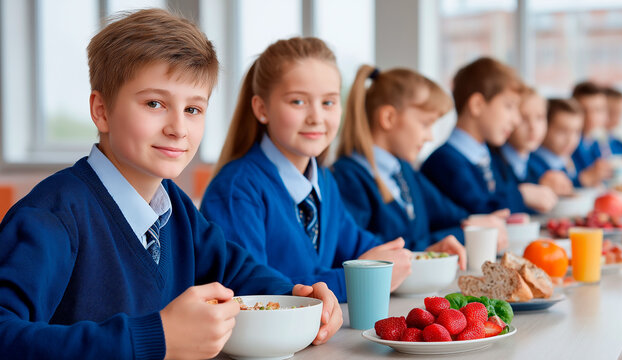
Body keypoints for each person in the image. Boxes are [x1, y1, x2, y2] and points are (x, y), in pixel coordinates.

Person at [0, 10, 341, 359]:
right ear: (101, 111)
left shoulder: (173, 205)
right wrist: (155, 337)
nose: (178, 128)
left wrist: (298, 296)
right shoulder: (52, 216)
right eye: (155, 104)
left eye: (193, 109)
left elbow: (238, 271)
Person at [199, 37, 412, 303]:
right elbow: (249, 292)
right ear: (262, 109)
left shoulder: (324, 180)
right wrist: (358, 280)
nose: (316, 117)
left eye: (328, 103)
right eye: (298, 102)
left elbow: (361, 247)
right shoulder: (237, 189)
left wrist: (418, 255)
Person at [331, 64, 506, 256]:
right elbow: (372, 254)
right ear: (388, 118)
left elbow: (451, 215)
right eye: (425, 124)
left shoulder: (404, 171)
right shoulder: (348, 177)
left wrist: (477, 223)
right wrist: (462, 234)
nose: (430, 136)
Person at [420, 57, 557, 214]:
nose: (516, 119)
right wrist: (522, 196)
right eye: (509, 106)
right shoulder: (443, 162)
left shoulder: (489, 158)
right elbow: (478, 213)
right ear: (477, 105)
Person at [496, 88, 573, 196]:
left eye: (540, 117)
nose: (533, 127)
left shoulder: (534, 164)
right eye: (523, 118)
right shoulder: (494, 163)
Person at [528, 98, 585, 188]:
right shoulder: (532, 164)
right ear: (545, 127)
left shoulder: (566, 159)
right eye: (562, 131)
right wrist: (581, 180)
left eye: (576, 131)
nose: (570, 140)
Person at [570, 81, 612, 185]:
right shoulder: (567, 144)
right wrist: (581, 180)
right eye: (584, 110)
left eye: (598, 110)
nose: (591, 117)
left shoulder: (596, 143)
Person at [603, 86, 622, 156]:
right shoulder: (591, 143)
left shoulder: (619, 145)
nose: (618, 119)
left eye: (621, 113)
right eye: (614, 113)